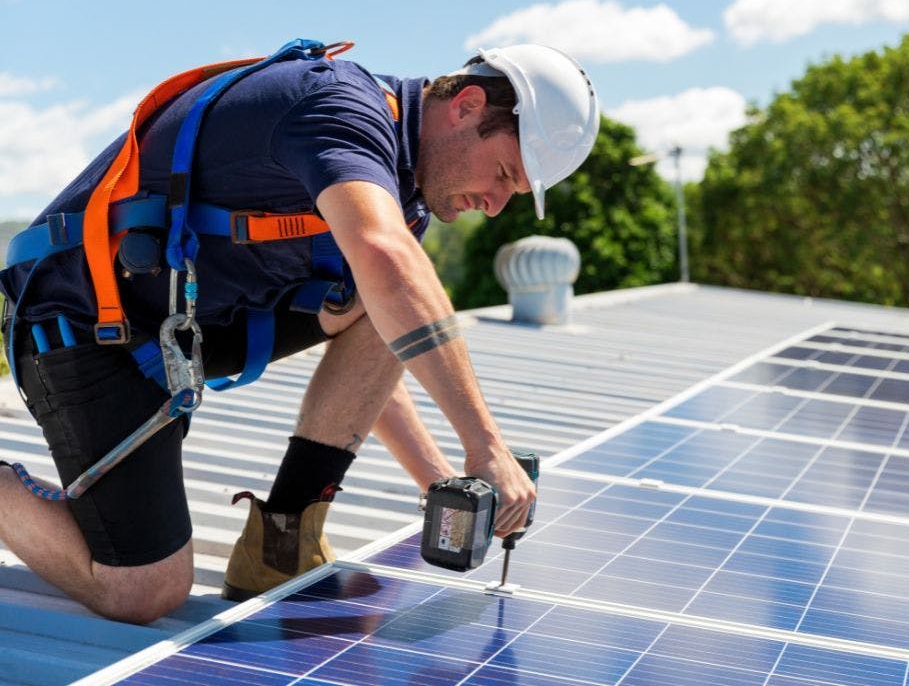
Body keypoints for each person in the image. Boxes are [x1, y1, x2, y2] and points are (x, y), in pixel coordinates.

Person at [0, 39, 599, 623]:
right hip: (82, 326)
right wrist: (486, 447)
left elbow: (384, 343)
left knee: (386, 301)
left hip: (176, 331)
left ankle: (279, 542)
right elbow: (389, 265)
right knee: (142, 593)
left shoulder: (400, 193)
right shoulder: (335, 106)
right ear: (467, 105)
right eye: (503, 174)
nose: (495, 205)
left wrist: (439, 482)